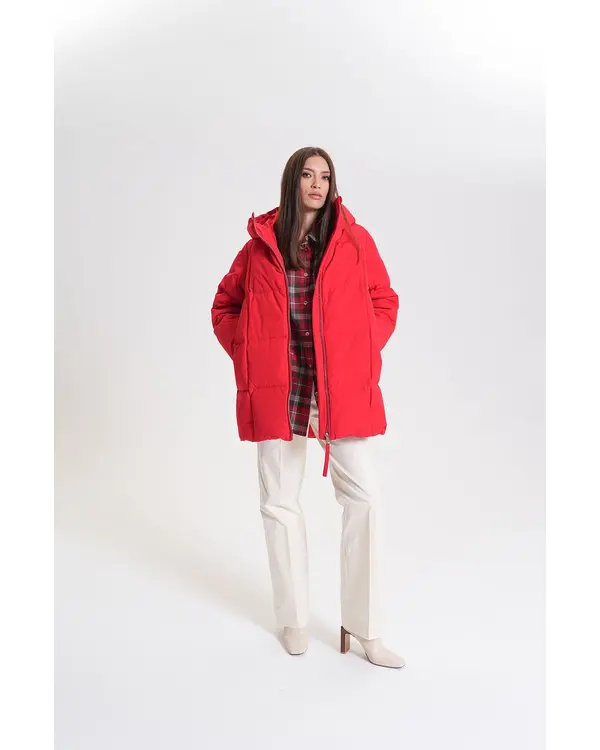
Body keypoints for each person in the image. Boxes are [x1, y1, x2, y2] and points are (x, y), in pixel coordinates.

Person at [211, 146, 405, 668]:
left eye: (325, 176)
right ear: (292, 182)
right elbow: (225, 305)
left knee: (366, 500)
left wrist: (361, 348)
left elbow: (384, 300)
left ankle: (364, 628)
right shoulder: (260, 247)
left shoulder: (354, 242)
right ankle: (293, 618)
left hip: (337, 391)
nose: (317, 184)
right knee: (279, 502)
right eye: (307, 175)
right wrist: (248, 351)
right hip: (281, 391)